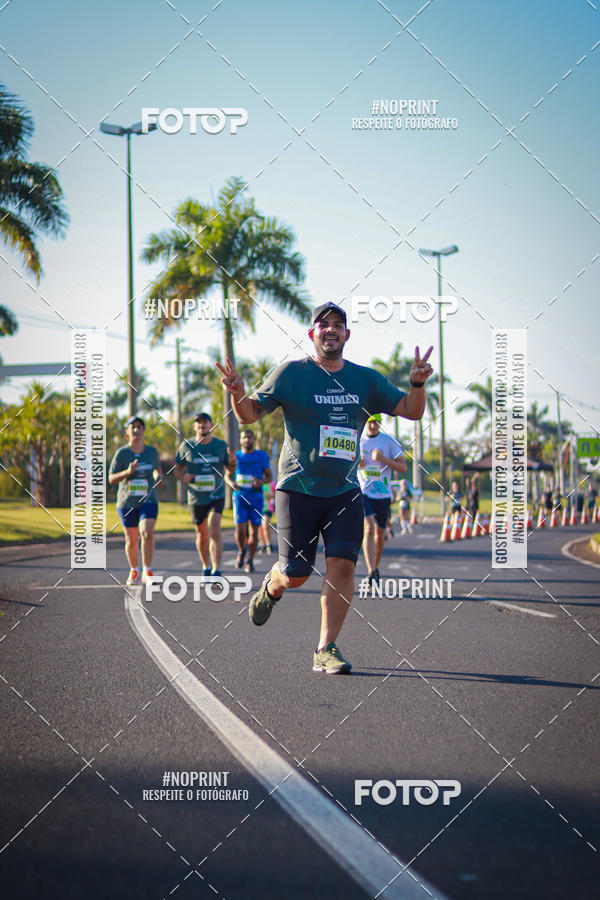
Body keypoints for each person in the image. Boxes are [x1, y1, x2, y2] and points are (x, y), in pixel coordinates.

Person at [216, 301, 434, 675]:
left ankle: (325, 647)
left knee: (344, 567)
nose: (331, 330)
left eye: (338, 325)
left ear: (347, 334)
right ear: (312, 334)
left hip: (345, 490)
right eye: (324, 324)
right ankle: (273, 584)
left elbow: (411, 411)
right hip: (297, 487)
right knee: (297, 573)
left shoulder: (364, 379)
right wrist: (236, 391)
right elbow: (249, 415)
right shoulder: (290, 373)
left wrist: (416, 384)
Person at [174, 412, 235, 580]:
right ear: (194, 427)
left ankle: (216, 569)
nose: (202, 426)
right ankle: (206, 566)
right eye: (198, 423)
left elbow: (229, 471)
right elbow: (177, 469)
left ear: (211, 425)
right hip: (196, 496)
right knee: (201, 533)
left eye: (205, 423)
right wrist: (183, 478)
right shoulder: (187, 446)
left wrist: (232, 463)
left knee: (214, 528)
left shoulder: (221, 445)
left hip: (217, 494)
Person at [108, 416, 162, 585]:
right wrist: (127, 472)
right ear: (127, 432)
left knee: (147, 532)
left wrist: (157, 476)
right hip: (127, 502)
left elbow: (156, 470)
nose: (136, 430)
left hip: (148, 500)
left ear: (144, 431)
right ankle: (134, 571)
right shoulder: (122, 453)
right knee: (132, 539)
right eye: (133, 427)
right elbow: (111, 478)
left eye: (139, 427)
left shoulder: (152, 452)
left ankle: (147, 570)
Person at [358, 413, 407, 583]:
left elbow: (403, 467)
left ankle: (375, 568)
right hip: (365, 491)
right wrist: (357, 461)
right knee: (369, 528)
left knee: (380, 533)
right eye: (370, 422)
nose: (373, 426)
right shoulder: (358, 440)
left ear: (380, 423)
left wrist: (384, 459)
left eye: (376, 423)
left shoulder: (388, 441)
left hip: (384, 494)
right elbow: (345, 463)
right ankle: (371, 570)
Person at [233, 429, 272, 573]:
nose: (247, 440)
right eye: (244, 437)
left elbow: (269, 477)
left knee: (254, 531)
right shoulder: (236, 457)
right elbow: (227, 475)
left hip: (256, 498)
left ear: (253, 439)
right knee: (240, 531)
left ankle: (250, 560)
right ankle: (242, 550)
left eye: (249, 437)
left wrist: (260, 481)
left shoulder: (262, 456)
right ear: (241, 440)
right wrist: (231, 483)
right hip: (240, 497)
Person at [259, 479, 276, 553]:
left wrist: (271, 496)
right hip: (258, 508)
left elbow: (277, 493)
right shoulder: (258, 482)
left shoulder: (271, 483)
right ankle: (263, 545)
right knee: (260, 528)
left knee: (265, 525)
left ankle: (269, 545)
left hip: (268, 508)